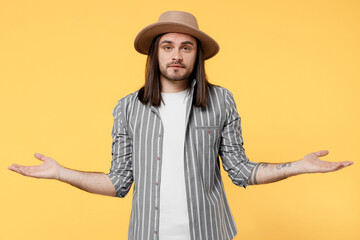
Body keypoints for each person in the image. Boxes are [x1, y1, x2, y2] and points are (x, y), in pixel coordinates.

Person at [8, 11, 353, 240]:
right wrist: (60, 173)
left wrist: (298, 166)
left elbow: (241, 170)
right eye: (168, 46)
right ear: (155, 54)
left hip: (210, 233)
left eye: (186, 47)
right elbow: (118, 182)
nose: (177, 54)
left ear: (196, 56)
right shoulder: (128, 108)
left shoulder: (222, 101)